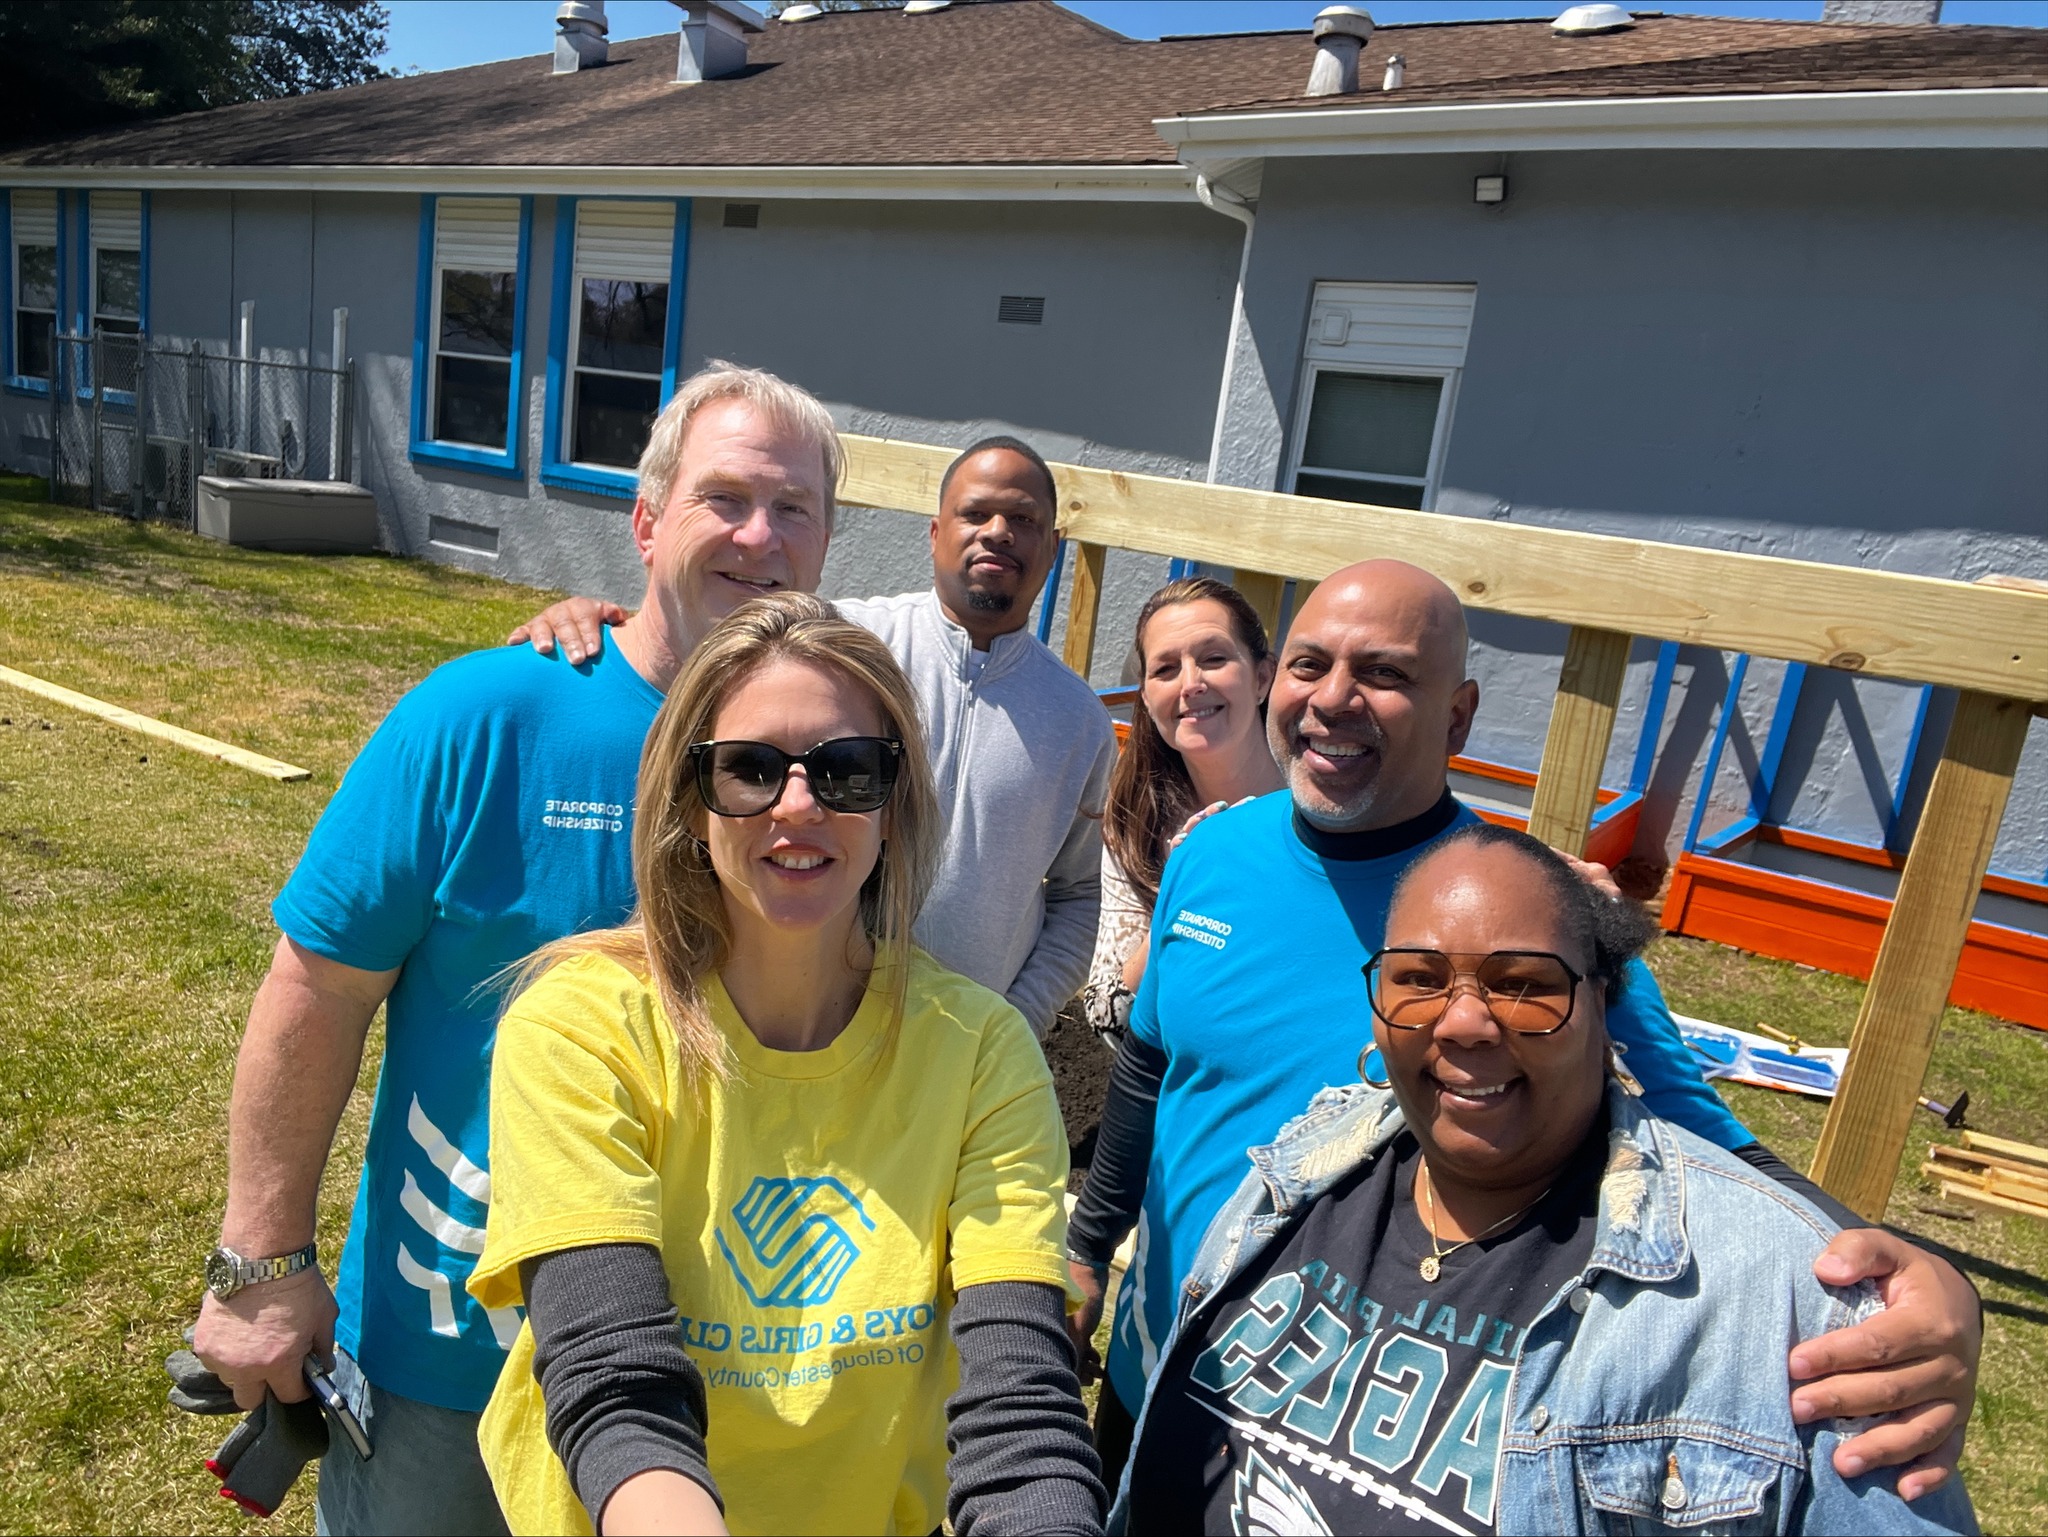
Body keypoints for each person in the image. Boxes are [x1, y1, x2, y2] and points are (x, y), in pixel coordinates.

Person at [1069, 559, 1982, 1502]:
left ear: (1458, 716)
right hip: (1158, 1370)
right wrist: (1088, 1249)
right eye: (1309, 664)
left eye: (1383, 672)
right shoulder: (1211, 852)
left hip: (1352, 1434)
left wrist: (1908, 1280)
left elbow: (1712, 1142)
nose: (1333, 698)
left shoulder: (1530, 911)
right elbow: (1151, 1071)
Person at [190, 363, 843, 1535]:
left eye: (793, 507)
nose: (760, 535)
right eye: (725, 498)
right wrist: (260, 1261)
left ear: (827, 541)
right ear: (646, 523)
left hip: (718, 1359)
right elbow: (317, 985)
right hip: (455, 1350)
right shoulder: (485, 717)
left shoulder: (837, 767)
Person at [1114, 822, 1975, 1536]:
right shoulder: (1296, 1167)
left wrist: (1940, 1283)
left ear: (1602, 1002)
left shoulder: (1780, 1309)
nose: (1463, 1022)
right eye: (1418, 978)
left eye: (1523, 983)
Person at [469, 594, 1104, 1536]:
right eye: (751, 769)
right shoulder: (581, 1027)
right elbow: (615, 1382)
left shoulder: (980, 1053)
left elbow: (1018, 1404)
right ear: (689, 801)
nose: (799, 805)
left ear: (894, 807)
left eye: (848, 770)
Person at [514, 435, 1116, 1038]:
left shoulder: (1078, 720)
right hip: (789, 1024)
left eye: (1023, 519)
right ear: (935, 533)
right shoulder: (840, 645)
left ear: (1053, 547)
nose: (998, 532)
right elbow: (707, 653)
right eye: (975, 512)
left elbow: (1079, 892)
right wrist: (605, 625)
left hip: (965, 1047)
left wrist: (1017, 1020)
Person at [1081, 577, 1282, 1045]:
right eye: (1166, 669)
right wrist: (1181, 896)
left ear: (1262, 678)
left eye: (1214, 659)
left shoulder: (1320, 806)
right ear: (1146, 698)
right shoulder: (1136, 821)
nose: (1191, 684)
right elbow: (1107, 1018)